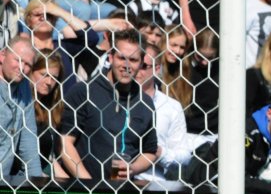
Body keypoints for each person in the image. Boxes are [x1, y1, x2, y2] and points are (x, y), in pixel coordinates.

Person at [60, 29, 157, 182]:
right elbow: (65, 143)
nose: (126, 65)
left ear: (141, 62)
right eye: (121, 58)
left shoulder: (145, 103)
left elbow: (150, 151)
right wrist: (89, 185)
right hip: (83, 192)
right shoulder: (84, 91)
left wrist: (132, 169)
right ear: (111, 57)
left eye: (133, 60)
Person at [133, 43, 193, 184]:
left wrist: (160, 153)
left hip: (152, 184)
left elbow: (185, 156)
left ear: (156, 69)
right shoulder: (114, 100)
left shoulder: (171, 107)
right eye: (133, 63)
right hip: (116, 181)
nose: (135, 70)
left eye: (143, 66)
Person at [0, 36, 42, 181]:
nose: (22, 68)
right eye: (17, 60)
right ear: (2, 55)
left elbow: (28, 141)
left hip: (5, 182)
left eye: (28, 64)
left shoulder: (24, 87)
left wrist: (37, 184)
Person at [29, 51, 66, 178]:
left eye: (54, 78)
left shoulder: (51, 109)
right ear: (30, 71)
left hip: (41, 177)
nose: (49, 82)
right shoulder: (22, 104)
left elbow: (48, 158)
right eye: (44, 75)